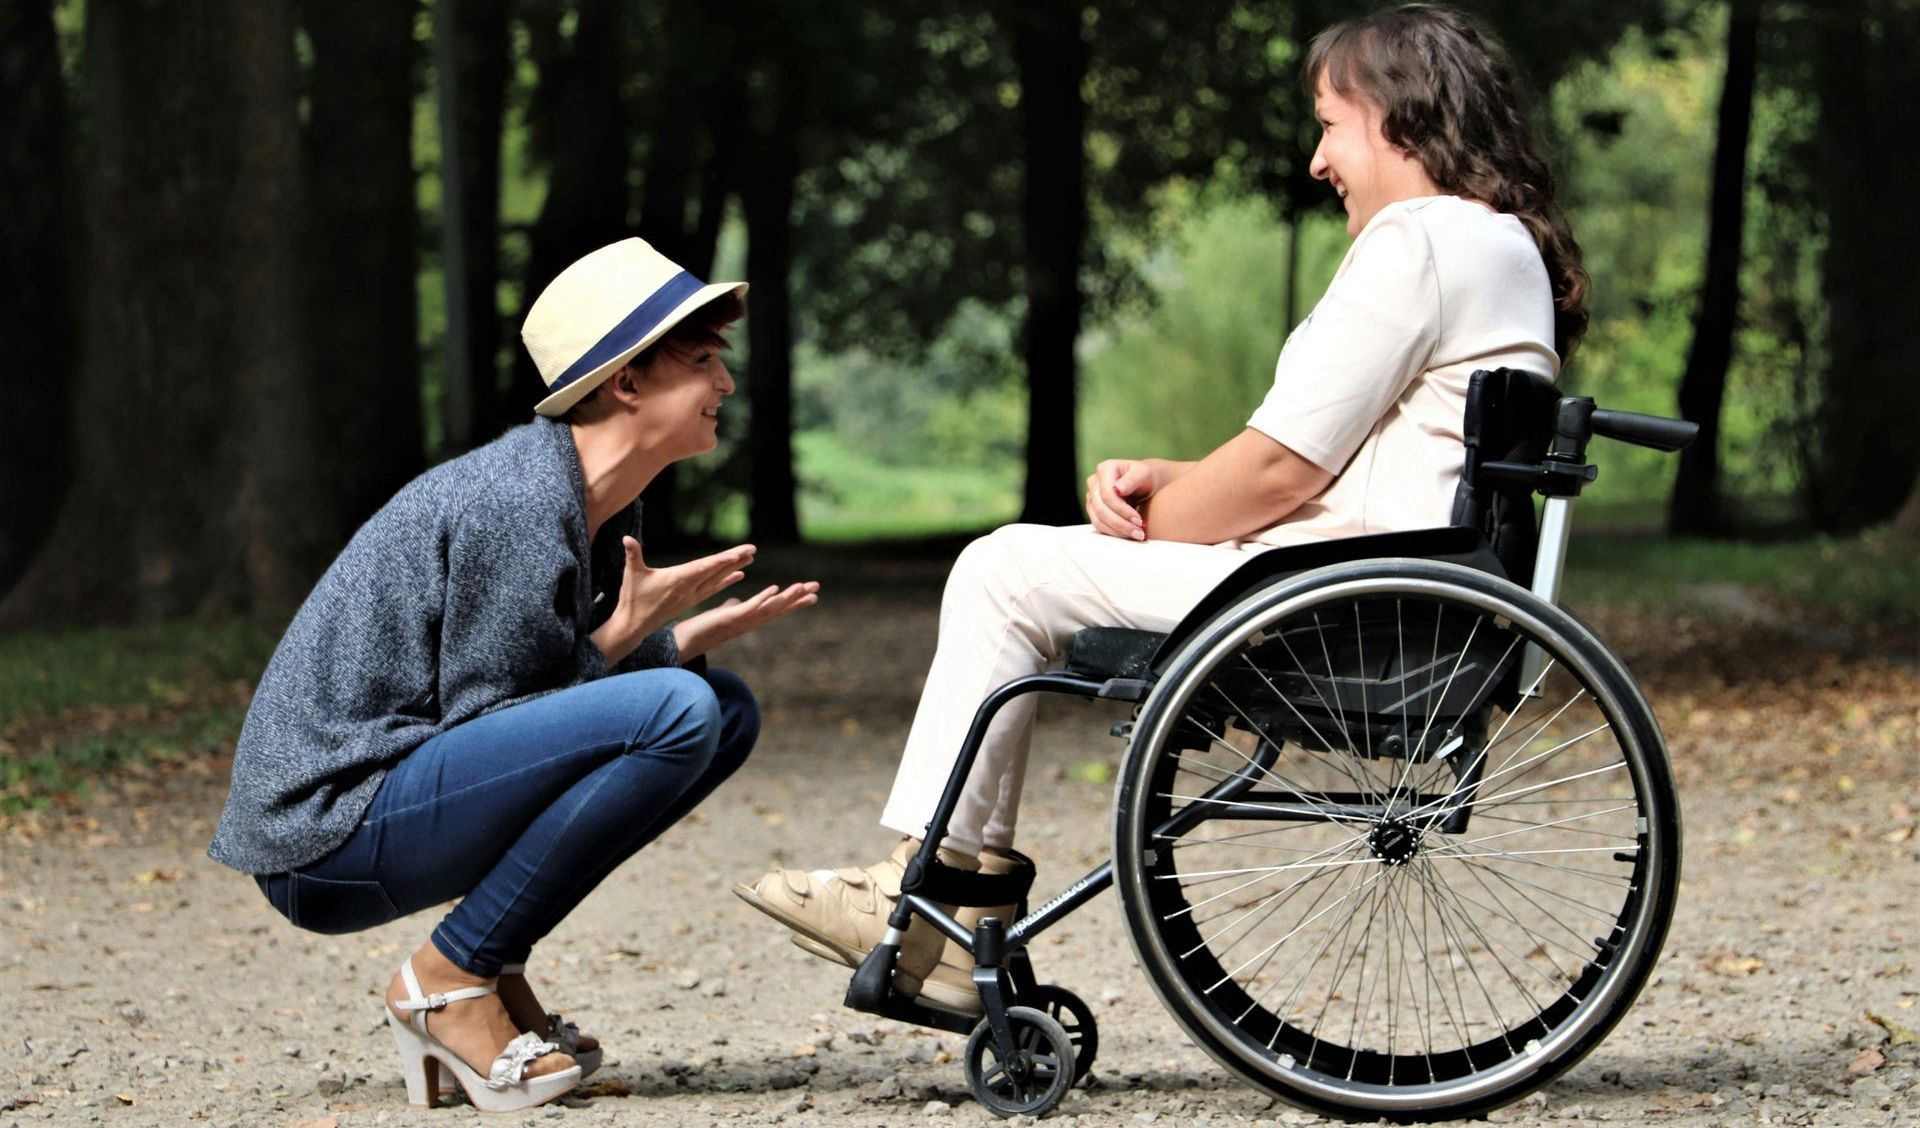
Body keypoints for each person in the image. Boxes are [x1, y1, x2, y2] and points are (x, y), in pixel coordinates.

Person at [736, 1, 1586, 1016]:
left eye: (1328, 124)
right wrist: (1170, 479)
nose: (1318, 162)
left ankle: (941, 908)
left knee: (1005, 569)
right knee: (1026, 563)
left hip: (1344, 602)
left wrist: (1157, 515)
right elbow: (1339, 465)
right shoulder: (1499, 248)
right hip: (1395, 586)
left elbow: (1279, 476)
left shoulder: (1423, 239)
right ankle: (945, 899)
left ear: (1399, 116)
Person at [209, 238, 818, 1112]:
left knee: (722, 709)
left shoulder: (589, 498)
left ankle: (484, 963)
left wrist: (668, 642)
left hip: (402, 794)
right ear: (627, 383)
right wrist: (631, 639)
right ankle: (446, 981)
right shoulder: (517, 502)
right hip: (325, 832)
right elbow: (497, 717)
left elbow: (535, 711)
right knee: (683, 709)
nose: (724, 383)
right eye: (701, 360)